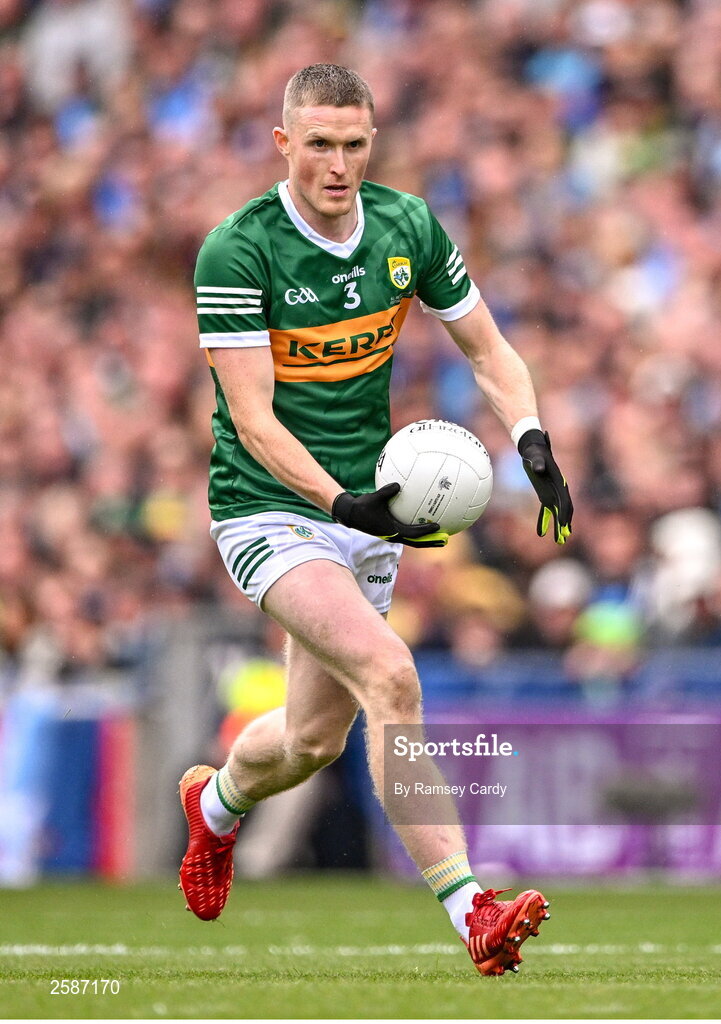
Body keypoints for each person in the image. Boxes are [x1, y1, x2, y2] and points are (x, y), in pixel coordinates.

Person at [179, 63, 572, 977]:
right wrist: (336, 503)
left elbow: (488, 349)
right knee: (391, 676)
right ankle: (473, 910)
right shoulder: (238, 250)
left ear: (372, 144)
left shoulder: (407, 227)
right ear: (283, 143)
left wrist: (530, 436)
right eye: (318, 144)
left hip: (368, 513)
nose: (337, 164)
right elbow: (253, 420)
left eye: (353, 145)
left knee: (312, 742)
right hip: (269, 508)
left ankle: (215, 805)